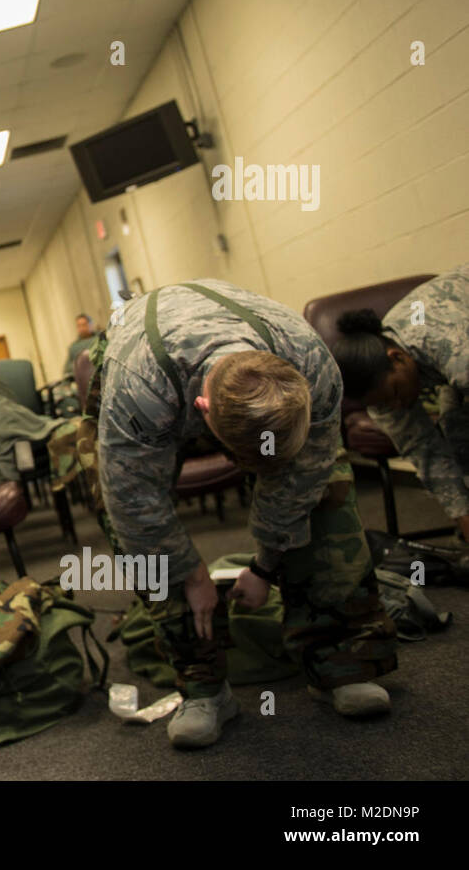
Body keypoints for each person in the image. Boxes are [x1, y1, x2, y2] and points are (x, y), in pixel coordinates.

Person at [91, 279, 397, 749]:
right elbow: (136, 505)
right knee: (141, 541)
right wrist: (191, 575)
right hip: (142, 360)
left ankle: (341, 662)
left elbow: (302, 479)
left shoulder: (311, 362)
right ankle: (203, 688)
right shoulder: (138, 389)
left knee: (326, 489)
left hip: (244, 357)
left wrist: (264, 565)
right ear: (203, 414)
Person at [330, 265, 469, 544]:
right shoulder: (381, 391)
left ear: (398, 358)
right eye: (384, 403)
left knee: (458, 420)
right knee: (456, 429)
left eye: (395, 392)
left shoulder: (449, 347)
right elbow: (426, 454)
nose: (397, 405)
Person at [63, 313, 98, 377]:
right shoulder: (74, 347)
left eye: (84, 325)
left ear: (91, 325)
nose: (81, 328)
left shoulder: (100, 339)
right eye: (79, 326)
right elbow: (67, 369)